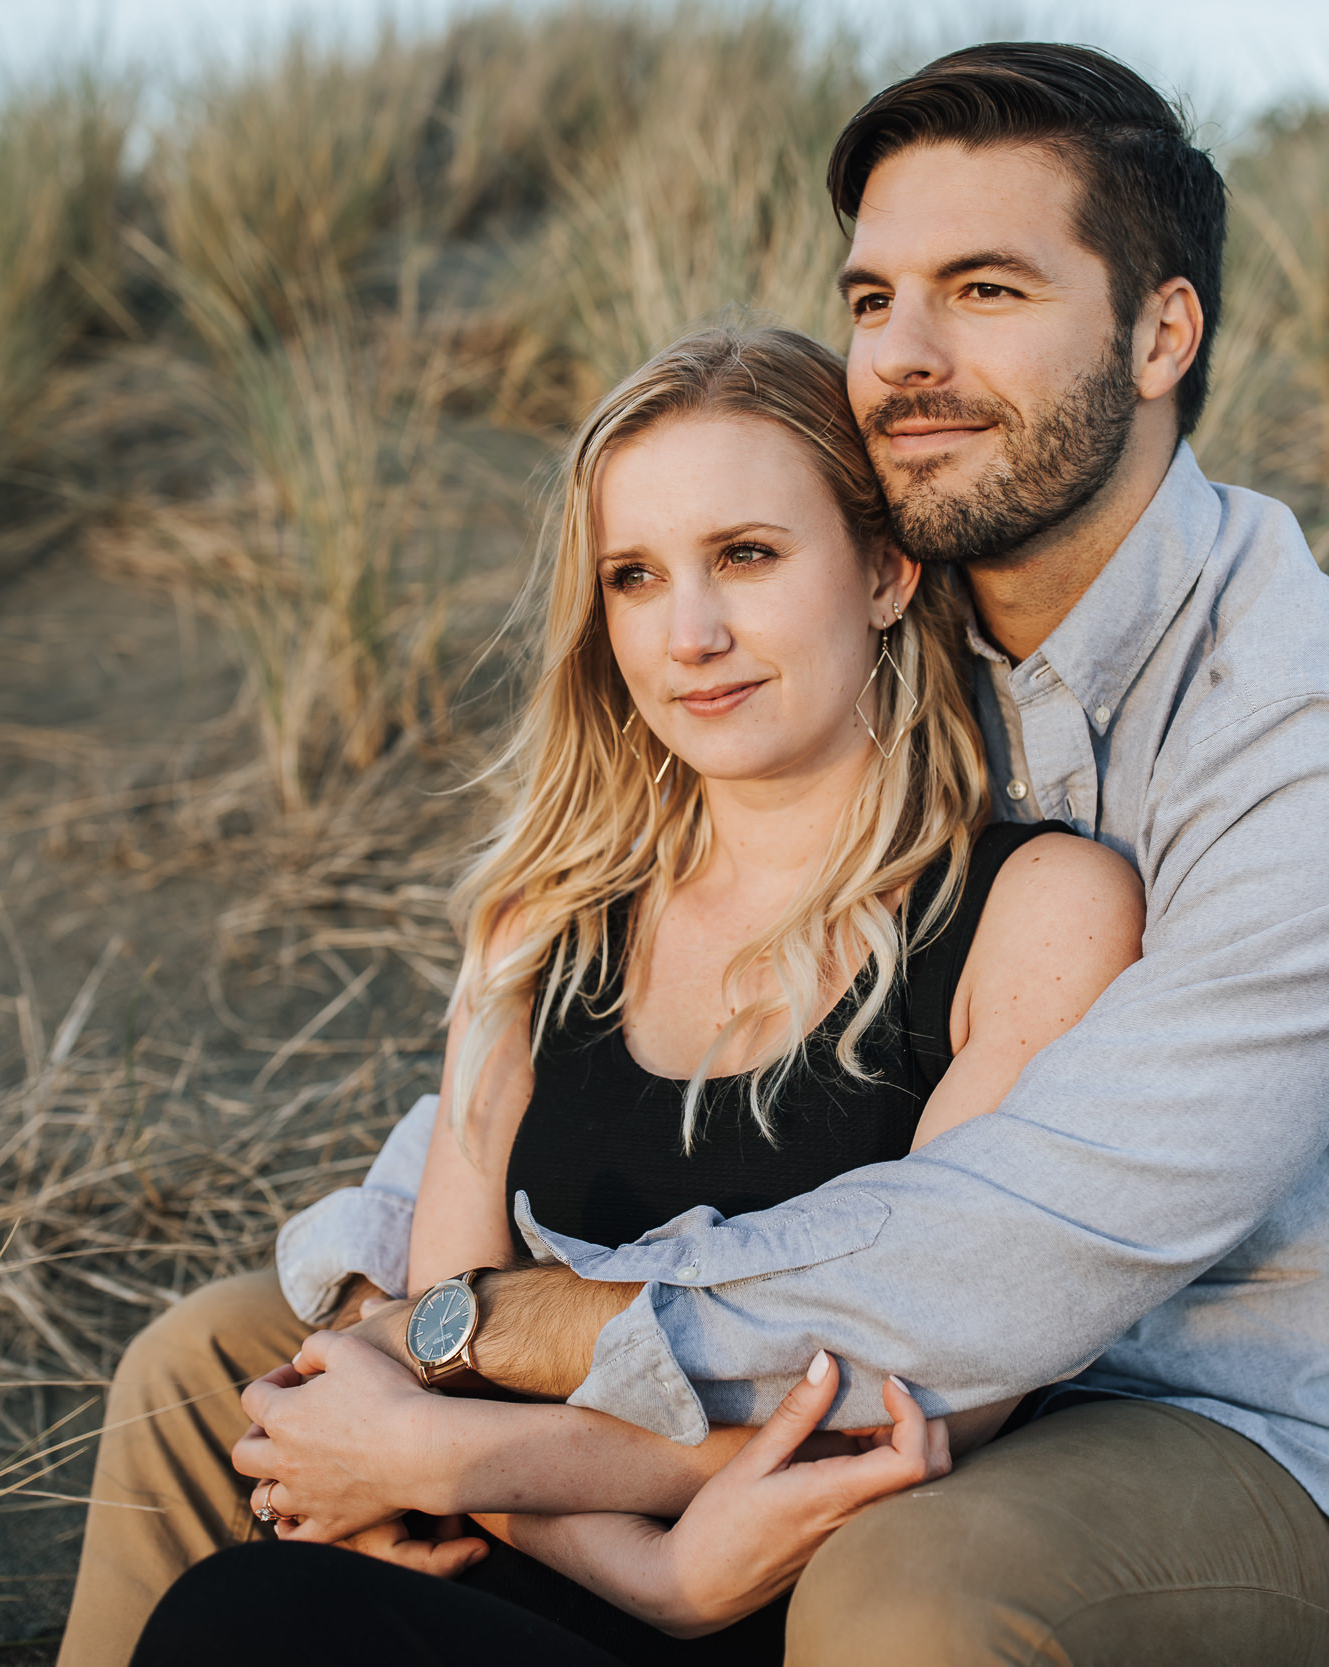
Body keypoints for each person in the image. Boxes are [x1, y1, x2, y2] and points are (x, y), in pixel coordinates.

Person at [94, 38, 1329, 1667]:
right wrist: (386, 1323)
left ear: (1160, 332)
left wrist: (475, 1366)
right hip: (833, 1322)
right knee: (214, 1373)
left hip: (1207, 1415)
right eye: (870, 298)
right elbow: (534, 1068)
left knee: (907, 1584)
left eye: (985, 292)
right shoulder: (883, 616)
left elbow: (1007, 1265)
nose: (904, 357)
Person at [61, 320, 1145, 1665]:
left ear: (882, 568)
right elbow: (436, 1365)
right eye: (636, 577)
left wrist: (497, 1490)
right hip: (527, 1572)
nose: (690, 635)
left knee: (255, 1618)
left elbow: (924, 1400)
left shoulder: (1036, 914)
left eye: (746, 556)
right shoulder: (542, 926)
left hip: (810, 1601)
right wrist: (635, 1559)